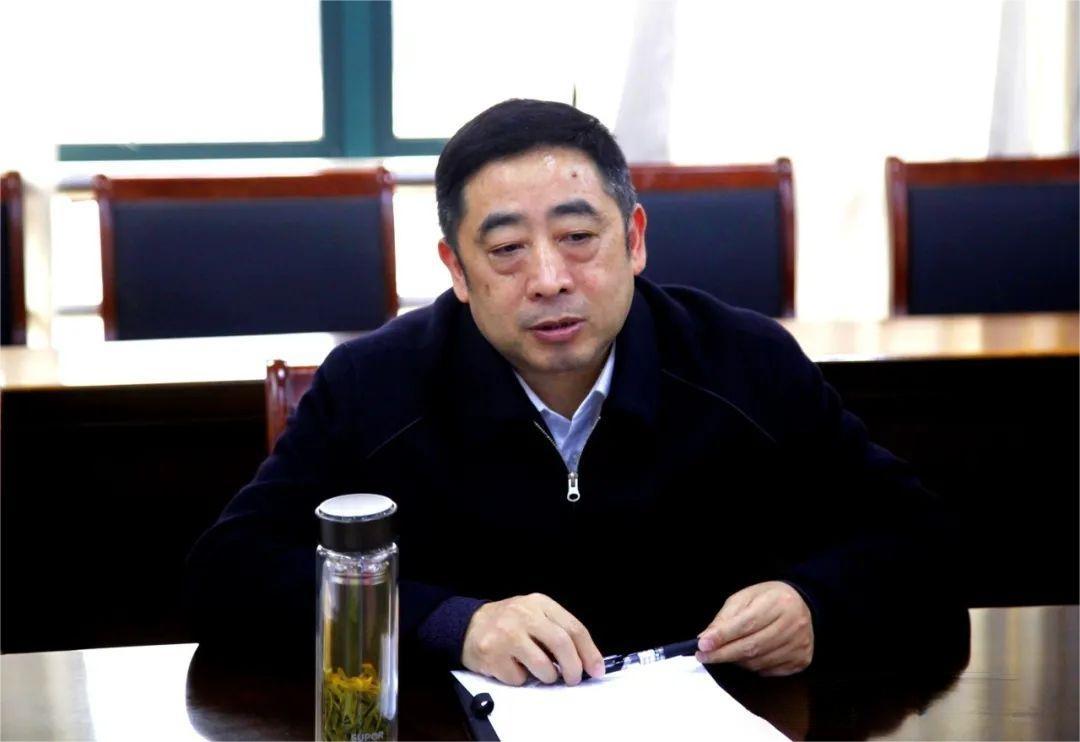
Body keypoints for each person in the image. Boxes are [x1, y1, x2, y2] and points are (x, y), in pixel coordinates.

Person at [185, 99, 957, 686]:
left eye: (579, 238)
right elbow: (227, 575)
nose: (550, 279)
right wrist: (450, 624)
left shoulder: (745, 363)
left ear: (635, 239)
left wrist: (816, 603)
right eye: (507, 249)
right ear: (456, 270)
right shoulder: (374, 385)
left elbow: (924, 540)